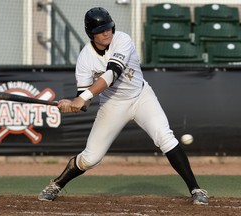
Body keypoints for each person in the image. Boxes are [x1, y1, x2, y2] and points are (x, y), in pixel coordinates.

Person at [38, 7, 209, 205]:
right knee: (91, 158)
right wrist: (73, 104)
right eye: (100, 30)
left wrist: (82, 97)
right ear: (90, 33)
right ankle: (56, 184)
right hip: (113, 104)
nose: (106, 32)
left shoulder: (122, 39)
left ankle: (196, 189)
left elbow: (111, 74)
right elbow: (84, 101)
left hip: (141, 96)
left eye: (108, 27)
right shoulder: (85, 58)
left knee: (165, 137)